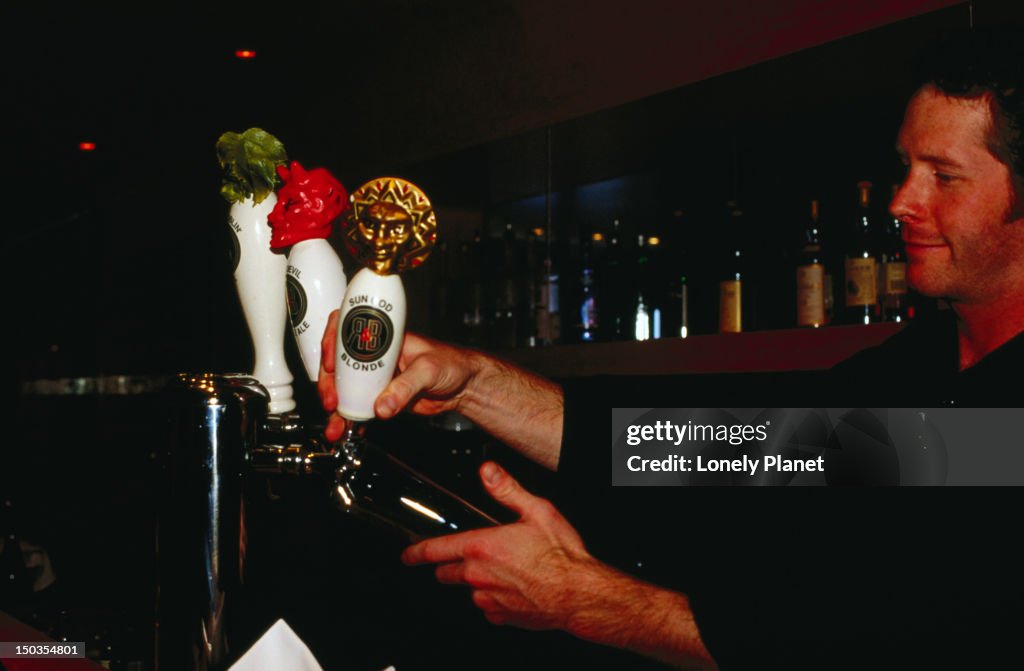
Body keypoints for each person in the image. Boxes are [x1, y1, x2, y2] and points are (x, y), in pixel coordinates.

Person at [319, 28, 1023, 669]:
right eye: (905, 167)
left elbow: (890, 642)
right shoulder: (914, 373)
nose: (901, 200)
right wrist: (472, 382)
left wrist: (587, 599)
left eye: (944, 176)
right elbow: (701, 448)